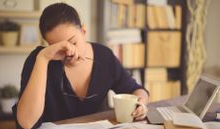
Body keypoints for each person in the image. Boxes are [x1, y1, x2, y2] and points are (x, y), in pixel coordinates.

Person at [12, 3, 149, 129]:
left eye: (73, 42)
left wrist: (140, 104)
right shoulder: (38, 60)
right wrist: (43, 58)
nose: (70, 52)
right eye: (59, 48)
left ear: (83, 31)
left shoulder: (104, 55)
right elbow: (26, 123)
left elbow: (135, 90)